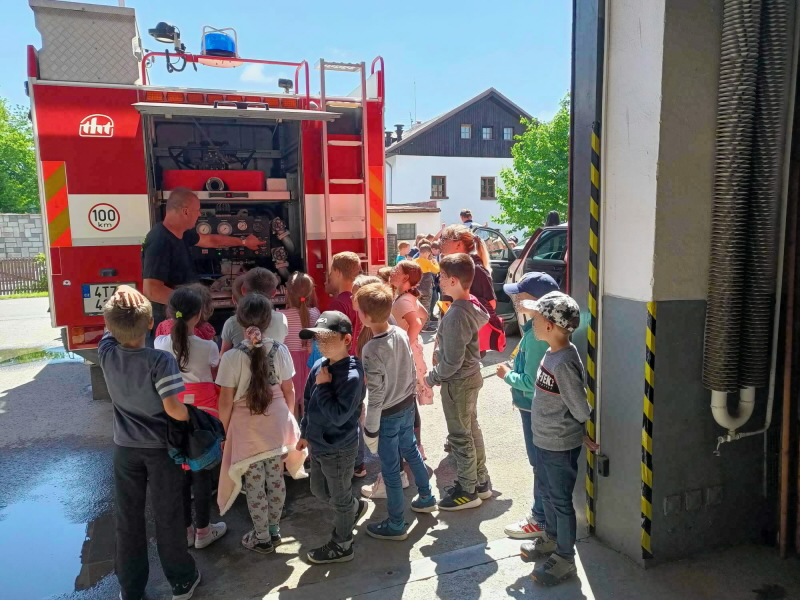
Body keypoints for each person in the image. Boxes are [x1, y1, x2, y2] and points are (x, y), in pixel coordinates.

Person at [98, 285, 201, 600]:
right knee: (168, 514)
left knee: (128, 518)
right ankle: (181, 580)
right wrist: (191, 419)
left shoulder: (107, 353)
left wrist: (121, 294)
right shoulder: (159, 361)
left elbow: (109, 329)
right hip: (160, 450)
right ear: (150, 324)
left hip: (125, 450)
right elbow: (173, 408)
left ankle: (131, 586)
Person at [216, 294, 306, 554]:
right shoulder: (282, 349)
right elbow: (289, 391)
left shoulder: (231, 357)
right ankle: (276, 531)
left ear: (238, 320)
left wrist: (227, 430)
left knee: (254, 484)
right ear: (269, 320)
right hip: (277, 422)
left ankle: (262, 536)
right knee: (277, 478)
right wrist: (288, 419)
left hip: (246, 428)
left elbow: (225, 402)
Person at [515, 292, 595, 586]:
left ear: (550, 325)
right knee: (547, 493)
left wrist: (584, 432)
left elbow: (579, 406)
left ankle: (565, 558)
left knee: (561, 501)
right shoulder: (551, 353)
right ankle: (550, 538)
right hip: (545, 441)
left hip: (560, 445)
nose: (532, 323)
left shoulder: (562, 361)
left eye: (536, 318)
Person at [355, 283, 437, 540]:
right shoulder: (400, 334)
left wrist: (370, 427)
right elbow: (411, 369)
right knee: (411, 452)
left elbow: (376, 394)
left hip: (388, 414)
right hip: (406, 406)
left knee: (390, 469)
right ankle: (426, 497)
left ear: (366, 317)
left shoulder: (371, 349)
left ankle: (396, 523)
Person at [141, 187, 265, 344]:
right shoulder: (159, 240)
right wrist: (191, 305)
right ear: (185, 212)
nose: (199, 214)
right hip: (171, 322)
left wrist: (243, 242)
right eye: (197, 210)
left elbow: (211, 240)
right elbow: (152, 290)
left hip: (184, 318)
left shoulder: (181, 233)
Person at [154, 287, 227, 550]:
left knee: (181, 473)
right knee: (202, 472)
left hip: (173, 412)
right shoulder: (208, 346)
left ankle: (186, 530)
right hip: (205, 415)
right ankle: (204, 532)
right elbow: (216, 373)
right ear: (198, 316)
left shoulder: (160, 343)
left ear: (170, 314)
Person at [297, 311, 369, 564]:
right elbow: (308, 401)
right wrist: (305, 432)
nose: (321, 343)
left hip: (339, 448)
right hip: (318, 445)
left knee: (338, 497)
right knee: (318, 491)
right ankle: (352, 507)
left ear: (347, 339)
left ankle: (343, 544)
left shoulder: (352, 375)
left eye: (327, 338)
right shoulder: (320, 365)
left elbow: (339, 416)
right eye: (317, 338)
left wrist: (325, 386)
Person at [494, 273, 560, 541]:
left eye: (522, 296)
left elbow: (532, 382)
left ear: (537, 302)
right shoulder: (541, 329)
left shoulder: (535, 337)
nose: (517, 300)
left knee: (539, 465)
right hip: (536, 409)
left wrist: (506, 375)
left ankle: (540, 519)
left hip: (532, 409)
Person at [423, 254, 491, 511]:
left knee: (461, 436)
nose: (438, 279)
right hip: (470, 379)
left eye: (441, 276)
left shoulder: (455, 316)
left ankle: (467, 490)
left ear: (453, 280)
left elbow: (451, 362)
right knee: (472, 430)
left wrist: (431, 378)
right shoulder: (469, 307)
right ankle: (480, 482)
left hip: (458, 383)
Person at [439, 224, 505, 354]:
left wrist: (462, 308)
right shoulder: (451, 266)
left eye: (444, 239)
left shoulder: (476, 270)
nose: (440, 242)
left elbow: (491, 304)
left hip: (466, 340)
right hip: (451, 332)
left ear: (458, 245)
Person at [279, 272, 320, 421]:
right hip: (311, 363)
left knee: (291, 400)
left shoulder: (281, 316)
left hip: (290, 363)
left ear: (288, 292)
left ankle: (294, 435)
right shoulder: (315, 313)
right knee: (308, 401)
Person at [221, 268, 288, 355]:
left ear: (243, 290)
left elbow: (223, 355)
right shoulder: (281, 318)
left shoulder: (231, 322)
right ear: (274, 293)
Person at [415, 243, 439, 330]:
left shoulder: (414, 261)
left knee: (417, 307)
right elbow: (436, 270)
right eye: (429, 253)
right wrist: (435, 262)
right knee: (426, 307)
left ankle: (417, 325)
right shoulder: (427, 262)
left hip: (416, 289)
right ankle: (425, 327)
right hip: (426, 289)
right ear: (426, 253)